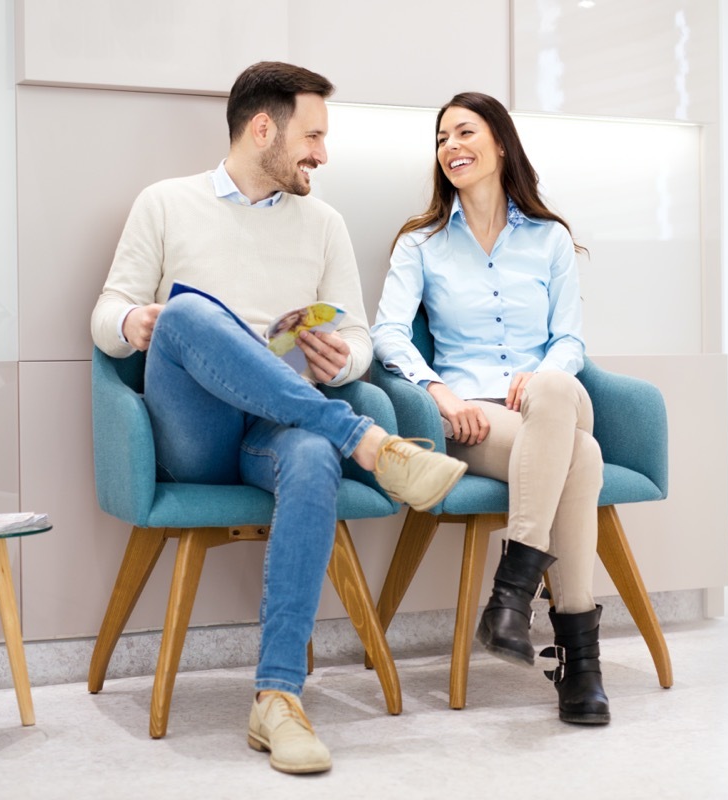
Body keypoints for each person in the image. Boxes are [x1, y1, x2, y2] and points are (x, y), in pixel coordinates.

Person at [91, 62, 466, 774]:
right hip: (196, 431)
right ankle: (372, 443)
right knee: (191, 312)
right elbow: (105, 316)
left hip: (281, 426)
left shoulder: (323, 222)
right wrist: (138, 320)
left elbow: (358, 337)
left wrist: (342, 361)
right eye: (313, 134)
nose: (323, 153)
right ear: (263, 128)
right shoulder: (166, 203)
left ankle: (278, 699)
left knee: (314, 454)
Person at [371, 92, 609, 725]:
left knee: (556, 390)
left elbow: (571, 341)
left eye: (465, 132)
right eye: (442, 138)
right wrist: (439, 393)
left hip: (548, 399)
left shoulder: (551, 239)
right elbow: (388, 333)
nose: (451, 146)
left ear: (500, 143)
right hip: (473, 418)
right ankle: (580, 665)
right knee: (582, 459)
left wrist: (541, 378)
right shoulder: (420, 244)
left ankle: (513, 593)